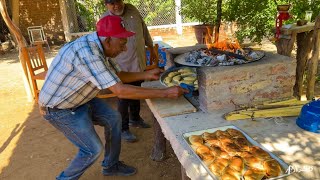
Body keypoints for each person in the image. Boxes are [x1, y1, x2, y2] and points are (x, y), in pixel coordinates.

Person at [38, 15, 187, 179]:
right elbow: (120, 91)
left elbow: (118, 76)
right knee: (92, 149)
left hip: (81, 99)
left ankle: (110, 166)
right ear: (108, 40)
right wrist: (166, 93)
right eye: (122, 44)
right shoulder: (88, 53)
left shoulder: (100, 47)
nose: (124, 49)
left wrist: (146, 74)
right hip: (59, 109)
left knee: (113, 119)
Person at [103, 0, 157, 142]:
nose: (117, 5)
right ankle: (123, 128)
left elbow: (143, 28)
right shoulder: (105, 20)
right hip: (121, 65)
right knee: (124, 96)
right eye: (112, 3)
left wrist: (151, 47)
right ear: (106, 5)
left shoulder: (132, 9)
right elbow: (104, 46)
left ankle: (135, 118)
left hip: (138, 60)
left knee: (137, 90)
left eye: (118, 1)